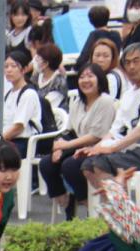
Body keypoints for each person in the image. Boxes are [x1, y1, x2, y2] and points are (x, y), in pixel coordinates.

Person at [64, 43, 140, 195]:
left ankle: (120, 204)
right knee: (87, 165)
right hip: (130, 149)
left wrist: (111, 148)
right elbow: (114, 130)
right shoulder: (129, 94)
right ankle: (116, 201)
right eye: (127, 63)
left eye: (136, 61)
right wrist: (95, 148)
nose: (131, 67)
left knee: (100, 164)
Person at [40, 63, 116, 220]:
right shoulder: (77, 102)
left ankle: (86, 202)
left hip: (99, 148)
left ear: (100, 80)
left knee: (70, 165)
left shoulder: (105, 101)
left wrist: (66, 146)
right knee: (47, 163)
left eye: (90, 76)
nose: (85, 80)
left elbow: (96, 135)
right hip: (78, 146)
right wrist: (59, 148)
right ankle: (66, 201)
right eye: (82, 77)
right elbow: (70, 131)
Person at [1, 50, 41, 155]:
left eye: (14, 66)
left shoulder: (28, 94)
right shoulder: (8, 94)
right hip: (8, 139)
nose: (9, 70)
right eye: (6, 66)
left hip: (22, 142)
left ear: (24, 69)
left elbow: (18, 127)